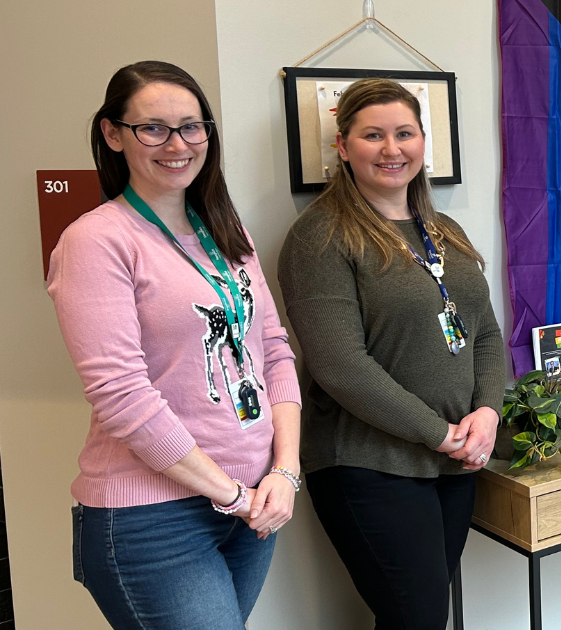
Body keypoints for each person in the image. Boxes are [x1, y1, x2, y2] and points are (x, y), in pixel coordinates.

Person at [46, 61, 302, 628]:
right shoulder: (95, 241)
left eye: (192, 126)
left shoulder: (225, 228)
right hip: (153, 518)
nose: (177, 144)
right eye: (153, 128)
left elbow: (273, 351)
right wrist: (231, 494)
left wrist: (284, 471)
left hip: (254, 502)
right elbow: (122, 397)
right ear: (113, 135)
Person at [277, 78, 505, 629]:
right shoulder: (321, 237)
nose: (391, 149)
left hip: (451, 461)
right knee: (418, 618)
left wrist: (488, 412)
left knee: (418, 619)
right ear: (342, 146)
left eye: (404, 133)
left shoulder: (443, 229)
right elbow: (339, 366)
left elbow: (487, 335)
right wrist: (441, 433)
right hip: (368, 464)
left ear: (424, 141)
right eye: (372, 135)